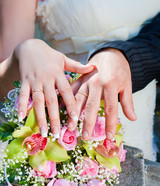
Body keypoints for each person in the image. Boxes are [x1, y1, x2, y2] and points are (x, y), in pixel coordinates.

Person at [0, 0, 160, 161]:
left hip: (141, 129)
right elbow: (9, 88)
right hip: (65, 138)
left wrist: (124, 56)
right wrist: (25, 51)